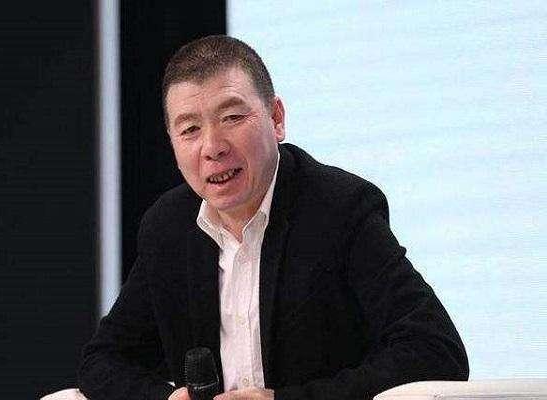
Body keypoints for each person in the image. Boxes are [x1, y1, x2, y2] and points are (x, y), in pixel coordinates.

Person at [78, 35, 468, 400]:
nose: (212, 147)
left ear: (276, 118)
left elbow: (436, 351)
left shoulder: (340, 209)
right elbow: (103, 361)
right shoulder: (168, 228)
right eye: (190, 129)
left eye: (232, 117)